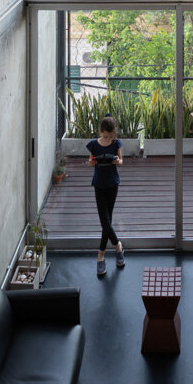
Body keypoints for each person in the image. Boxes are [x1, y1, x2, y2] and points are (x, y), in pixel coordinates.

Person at [86, 114, 125, 278]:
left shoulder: (116, 143)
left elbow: (121, 161)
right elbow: (90, 162)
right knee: (105, 221)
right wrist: (92, 162)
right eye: (105, 136)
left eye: (110, 136)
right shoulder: (94, 145)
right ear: (100, 132)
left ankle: (101, 254)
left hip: (113, 184)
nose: (108, 139)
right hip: (99, 185)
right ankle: (117, 246)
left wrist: (116, 161)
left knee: (107, 219)